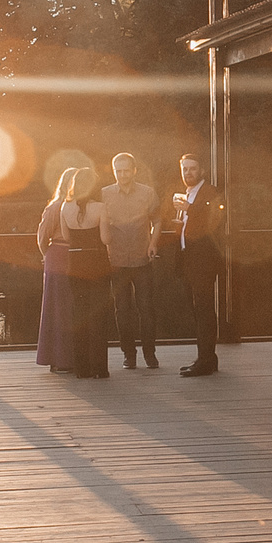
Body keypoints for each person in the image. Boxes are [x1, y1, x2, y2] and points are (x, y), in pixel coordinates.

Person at [166, 152, 227, 377]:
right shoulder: (188, 193)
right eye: (185, 169)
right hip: (188, 258)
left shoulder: (209, 191)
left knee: (203, 310)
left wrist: (188, 210)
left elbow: (214, 214)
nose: (188, 173)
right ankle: (206, 358)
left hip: (203, 259)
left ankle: (206, 361)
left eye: (192, 168)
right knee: (196, 309)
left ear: (201, 170)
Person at [100, 153, 161, 369]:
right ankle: (129, 355)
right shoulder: (104, 194)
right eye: (119, 171)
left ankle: (150, 354)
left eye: (126, 170)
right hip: (116, 260)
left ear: (134, 170)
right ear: (114, 171)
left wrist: (153, 242)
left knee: (147, 309)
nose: (123, 175)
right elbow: (100, 223)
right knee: (122, 310)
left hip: (142, 258)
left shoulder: (147, 193)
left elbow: (157, 219)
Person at [62, 168, 112, 378]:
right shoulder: (100, 208)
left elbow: (66, 237)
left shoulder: (65, 207)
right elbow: (106, 239)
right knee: (99, 316)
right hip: (97, 264)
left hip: (75, 264)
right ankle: (99, 369)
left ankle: (81, 368)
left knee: (79, 315)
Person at [35, 168, 81, 373]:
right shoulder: (55, 207)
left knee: (67, 308)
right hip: (60, 258)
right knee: (59, 309)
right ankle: (62, 359)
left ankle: (66, 359)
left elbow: (42, 239)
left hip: (69, 258)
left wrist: (48, 253)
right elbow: (43, 238)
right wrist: (49, 255)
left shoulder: (78, 206)